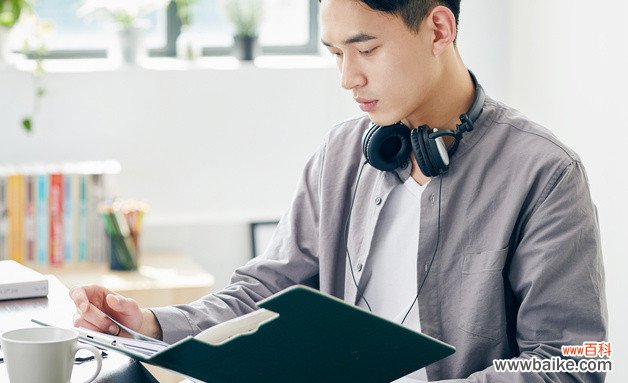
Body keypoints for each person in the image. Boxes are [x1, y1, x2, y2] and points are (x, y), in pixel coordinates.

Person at [70, 0, 607, 381]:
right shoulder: (342, 154)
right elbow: (265, 293)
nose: (347, 78)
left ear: (439, 30)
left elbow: (575, 360)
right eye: (334, 54)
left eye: (365, 49)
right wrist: (151, 324)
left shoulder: (545, 173)